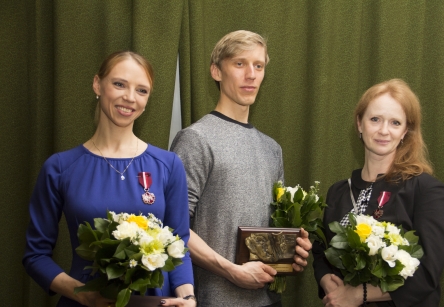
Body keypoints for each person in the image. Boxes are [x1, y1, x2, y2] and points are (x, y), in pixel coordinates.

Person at [23, 51, 196, 307]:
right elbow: (35, 255)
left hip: (153, 301)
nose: (129, 97)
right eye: (119, 84)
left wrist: (188, 297)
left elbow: (180, 245)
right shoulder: (60, 168)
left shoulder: (168, 165)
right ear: (97, 84)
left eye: (142, 90)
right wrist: (82, 293)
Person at [170, 30, 312, 307]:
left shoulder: (272, 148)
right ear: (216, 71)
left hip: (268, 300)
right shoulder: (196, 139)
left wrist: (292, 250)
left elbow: (273, 230)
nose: (251, 74)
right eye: (239, 64)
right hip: (215, 300)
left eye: (258, 66)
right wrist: (230, 271)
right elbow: (174, 228)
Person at [312, 79, 444, 307]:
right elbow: (321, 250)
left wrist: (360, 294)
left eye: (395, 122)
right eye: (375, 119)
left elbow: (428, 272)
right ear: (359, 123)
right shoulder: (338, 192)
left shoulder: (428, 191)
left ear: (406, 131)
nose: (383, 130)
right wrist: (327, 281)